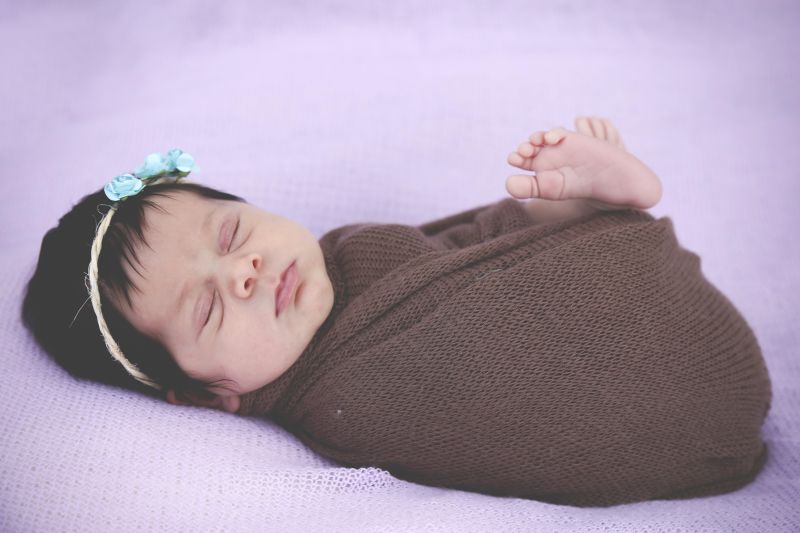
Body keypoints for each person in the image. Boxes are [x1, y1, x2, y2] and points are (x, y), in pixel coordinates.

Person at [22, 117, 770, 506]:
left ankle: (584, 202)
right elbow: (502, 414)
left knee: (517, 224)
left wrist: (549, 217)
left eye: (231, 234)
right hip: (678, 386)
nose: (245, 272)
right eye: (210, 308)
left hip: (657, 310)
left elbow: (473, 247)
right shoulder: (344, 404)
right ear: (206, 395)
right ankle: (596, 215)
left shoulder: (348, 249)